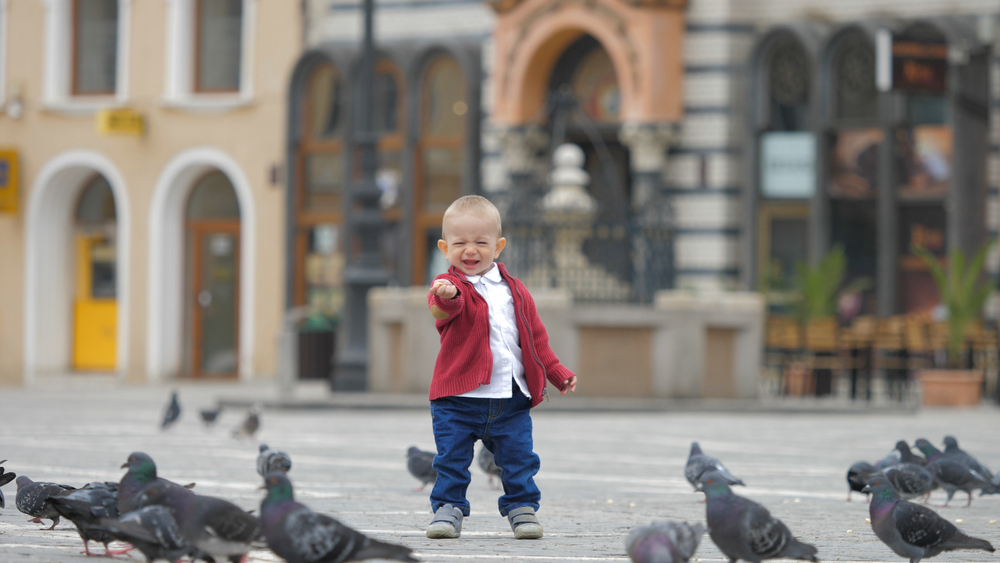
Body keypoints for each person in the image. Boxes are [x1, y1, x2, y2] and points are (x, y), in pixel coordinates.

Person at [425, 195, 577, 540]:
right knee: (451, 460)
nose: (470, 250)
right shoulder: (450, 286)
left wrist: (557, 373)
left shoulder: (515, 291)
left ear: (498, 246)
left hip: (510, 398)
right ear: (445, 247)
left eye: (481, 242)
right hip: (457, 399)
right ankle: (448, 509)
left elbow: (535, 340)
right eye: (460, 243)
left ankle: (522, 508)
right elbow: (442, 308)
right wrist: (446, 295)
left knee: (520, 458)